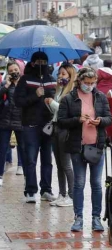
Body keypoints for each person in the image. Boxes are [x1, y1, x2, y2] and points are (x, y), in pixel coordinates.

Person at [58, 67, 112, 232]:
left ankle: (96, 218)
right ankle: (78, 217)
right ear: (79, 81)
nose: (89, 86)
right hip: (77, 147)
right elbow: (61, 121)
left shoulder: (101, 97)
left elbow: (109, 118)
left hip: (96, 146)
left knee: (96, 183)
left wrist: (100, 120)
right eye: (86, 83)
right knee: (79, 183)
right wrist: (77, 120)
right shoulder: (69, 98)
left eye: (92, 83)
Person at [14, 52, 56, 203]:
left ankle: (46, 189)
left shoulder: (51, 80)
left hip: (48, 126)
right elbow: (18, 101)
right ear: (32, 63)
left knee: (47, 160)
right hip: (30, 125)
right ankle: (30, 191)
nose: (41, 64)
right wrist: (36, 95)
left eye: (44, 61)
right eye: (38, 61)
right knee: (30, 159)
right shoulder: (25, 80)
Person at [44, 62, 77, 207]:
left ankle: (71, 195)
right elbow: (55, 112)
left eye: (63, 74)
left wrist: (52, 103)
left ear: (70, 76)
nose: (60, 77)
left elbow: (64, 110)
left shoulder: (72, 92)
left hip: (65, 130)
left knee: (66, 164)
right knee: (58, 164)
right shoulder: (59, 90)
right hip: (55, 128)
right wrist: (48, 102)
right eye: (59, 74)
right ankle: (61, 193)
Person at [0, 60, 26, 186]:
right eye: (11, 71)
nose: (14, 72)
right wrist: (6, 85)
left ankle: (23, 169)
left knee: (23, 148)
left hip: (20, 119)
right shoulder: (6, 83)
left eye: (16, 70)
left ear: (20, 70)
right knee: (2, 148)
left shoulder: (25, 83)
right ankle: (0, 175)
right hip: (5, 120)